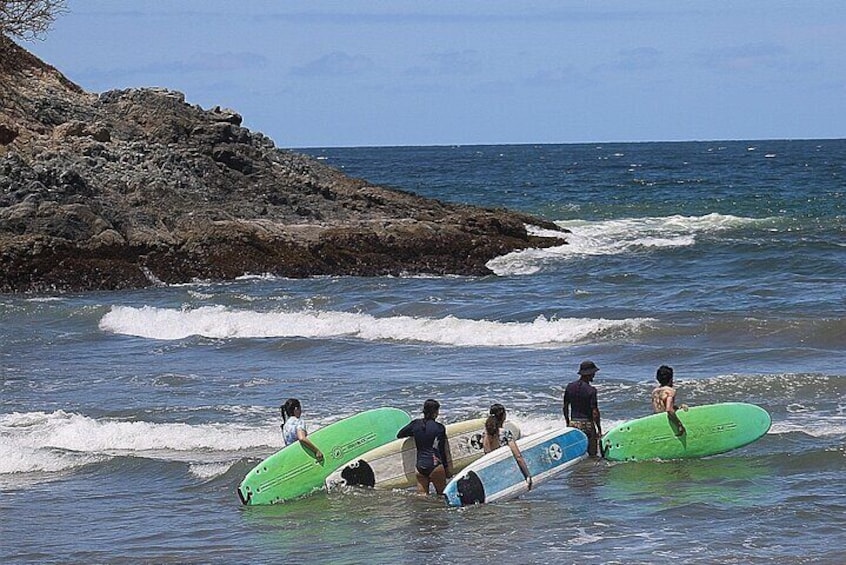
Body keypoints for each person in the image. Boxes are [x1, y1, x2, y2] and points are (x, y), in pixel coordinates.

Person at [396, 399, 450, 495]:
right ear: (435, 412)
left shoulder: (415, 424)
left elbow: (400, 434)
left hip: (420, 467)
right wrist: (446, 469)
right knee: (442, 496)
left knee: (422, 498)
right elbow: (441, 450)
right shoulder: (439, 428)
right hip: (435, 465)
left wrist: (414, 433)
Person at [483, 403, 532, 490]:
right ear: (503, 416)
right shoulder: (505, 433)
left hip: (491, 472)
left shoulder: (485, 434)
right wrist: (527, 475)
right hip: (505, 472)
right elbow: (518, 456)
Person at [562, 360, 603, 457]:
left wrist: (568, 422)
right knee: (592, 453)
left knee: (576, 452)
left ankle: (579, 471)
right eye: (593, 373)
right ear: (589, 374)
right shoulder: (591, 390)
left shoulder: (570, 387)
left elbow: (565, 406)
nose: (594, 375)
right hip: (587, 424)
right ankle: (589, 471)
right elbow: (595, 412)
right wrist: (599, 428)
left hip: (574, 423)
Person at [651, 365, 687, 436]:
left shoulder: (654, 392)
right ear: (671, 379)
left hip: (657, 419)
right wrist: (679, 425)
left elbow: (660, 407)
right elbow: (668, 410)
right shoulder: (670, 391)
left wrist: (677, 407)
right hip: (667, 420)